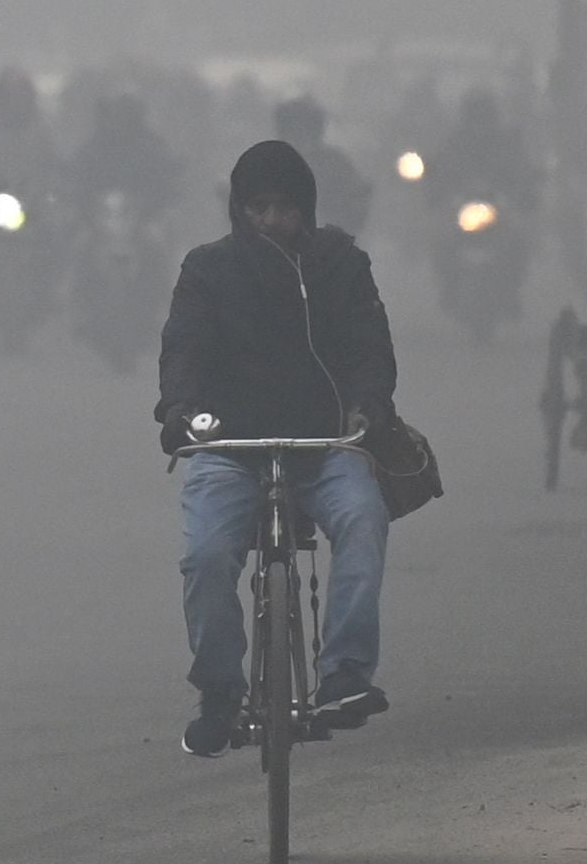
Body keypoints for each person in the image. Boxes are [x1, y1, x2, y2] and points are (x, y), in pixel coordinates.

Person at [155, 140, 398, 757]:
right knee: (207, 558)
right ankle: (218, 695)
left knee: (365, 520)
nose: (271, 220)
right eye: (257, 207)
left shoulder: (340, 263)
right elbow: (182, 352)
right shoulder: (207, 270)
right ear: (239, 209)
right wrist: (181, 412)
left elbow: (371, 352)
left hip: (324, 444)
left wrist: (367, 407)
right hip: (231, 448)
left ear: (307, 210)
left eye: (285, 208)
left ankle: (345, 674)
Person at [64, 91, 183, 224]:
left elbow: (164, 179)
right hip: (98, 216)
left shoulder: (152, 146)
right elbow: (80, 179)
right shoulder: (94, 147)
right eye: (116, 116)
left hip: (144, 215)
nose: (120, 123)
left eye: (127, 115)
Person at [271, 95, 373, 238]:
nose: (300, 136)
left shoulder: (336, 164)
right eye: (293, 130)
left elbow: (354, 209)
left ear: (316, 131)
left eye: (306, 130)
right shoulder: (268, 163)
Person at [426, 89, 539, 217]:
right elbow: (442, 170)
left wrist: (522, 193)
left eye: (483, 118)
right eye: (474, 118)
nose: (479, 126)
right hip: (460, 209)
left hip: (502, 209)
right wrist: (441, 192)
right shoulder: (454, 143)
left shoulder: (508, 143)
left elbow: (522, 170)